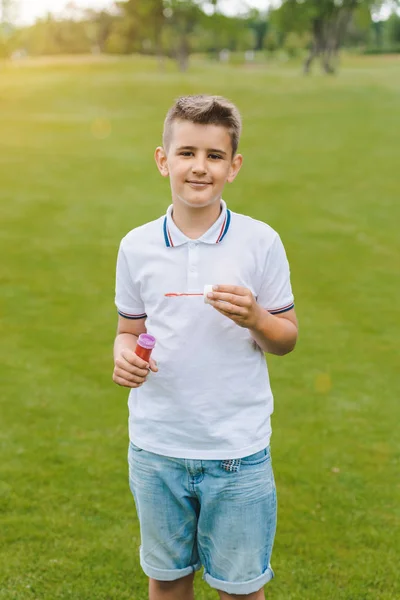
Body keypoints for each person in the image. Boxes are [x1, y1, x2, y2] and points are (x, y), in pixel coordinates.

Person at [113, 95, 298, 600]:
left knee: (240, 588)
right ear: (162, 159)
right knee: (168, 580)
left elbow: (286, 338)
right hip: (157, 448)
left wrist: (255, 316)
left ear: (233, 166)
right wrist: (122, 353)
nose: (200, 167)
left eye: (215, 156)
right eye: (187, 152)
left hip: (237, 451)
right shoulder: (136, 246)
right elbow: (130, 328)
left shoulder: (260, 242)